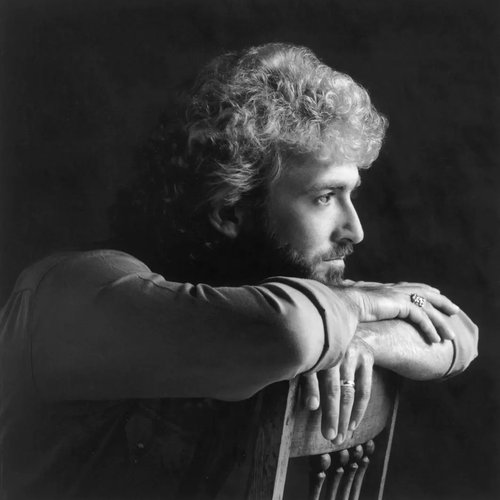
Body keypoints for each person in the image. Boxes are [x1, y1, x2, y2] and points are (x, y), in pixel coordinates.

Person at [0, 43, 477, 500]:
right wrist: (361, 305)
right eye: (324, 197)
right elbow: (291, 332)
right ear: (230, 211)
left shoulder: (269, 287)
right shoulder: (72, 293)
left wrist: (362, 339)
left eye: (351, 194)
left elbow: (457, 332)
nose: (355, 229)